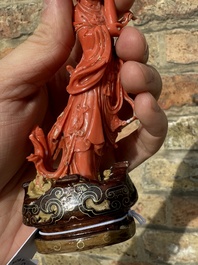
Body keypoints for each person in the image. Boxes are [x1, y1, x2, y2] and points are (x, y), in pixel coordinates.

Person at [0, 0, 167, 264]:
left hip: (96, 67)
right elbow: (110, 27)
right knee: (82, 126)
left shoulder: (90, 6)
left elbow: (109, 28)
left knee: (92, 123)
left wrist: (115, 26)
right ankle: (84, 174)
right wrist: (117, 25)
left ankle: (87, 174)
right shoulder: (88, 7)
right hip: (89, 70)